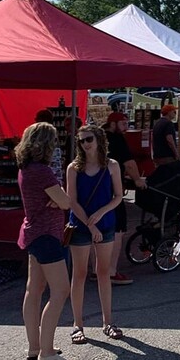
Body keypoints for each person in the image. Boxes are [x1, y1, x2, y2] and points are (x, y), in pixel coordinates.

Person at [16, 122, 83, 360]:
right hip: (46, 235)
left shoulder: (26, 168)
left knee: (34, 289)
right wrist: (59, 199)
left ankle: (36, 346)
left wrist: (58, 199)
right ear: (46, 144)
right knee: (60, 291)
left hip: (34, 233)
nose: (56, 147)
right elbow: (66, 202)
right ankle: (46, 353)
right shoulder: (42, 172)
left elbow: (60, 200)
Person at [66, 125, 124, 345]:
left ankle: (108, 322)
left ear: (99, 139)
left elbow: (118, 196)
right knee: (79, 274)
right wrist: (91, 225)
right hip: (81, 225)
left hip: (105, 222)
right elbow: (72, 200)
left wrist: (101, 213)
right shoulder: (74, 167)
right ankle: (77, 325)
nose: (85, 144)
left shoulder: (111, 165)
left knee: (103, 272)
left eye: (88, 139)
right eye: (81, 141)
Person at [103, 112, 146, 285]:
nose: (126, 126)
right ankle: (111, 271)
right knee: (118, 230)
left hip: (97, 190)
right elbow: (129, 163)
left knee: (96, 229)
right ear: (113, 124)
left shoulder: (97, 137)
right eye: (122, 123)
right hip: (113, 190)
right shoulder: (116, 139)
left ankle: (96, 270)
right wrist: (137, 180)